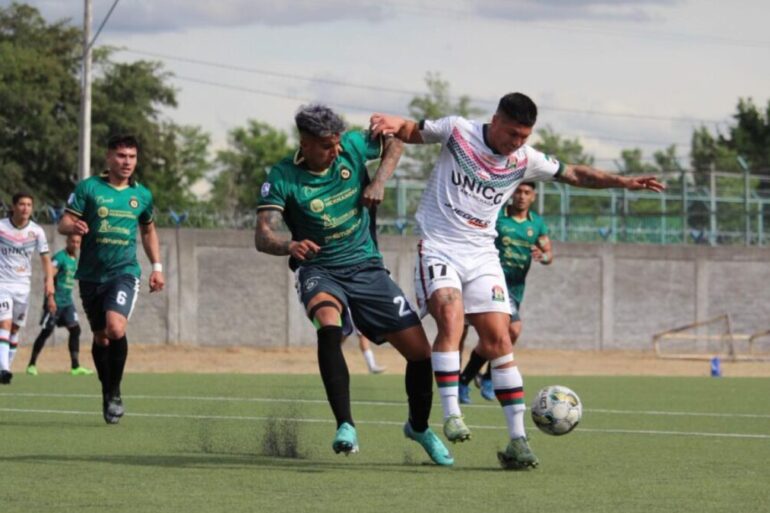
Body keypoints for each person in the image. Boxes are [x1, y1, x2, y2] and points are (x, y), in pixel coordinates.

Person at [369, 92, 664, 469]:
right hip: (440, 247)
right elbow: (411, 130)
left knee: (500, 340)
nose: (517, 142)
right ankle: (452, 414)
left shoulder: (524, 159)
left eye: (524, 136)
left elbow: (575, 173)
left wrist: (623, 182)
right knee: (450, 316)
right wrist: (393, 123)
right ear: (495, 120)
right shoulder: (458, 131)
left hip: (482, 255)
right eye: (512, 134)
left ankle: (518, 440)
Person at [256, 104, 452, 466]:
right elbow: (263, 235)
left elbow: (396, 140)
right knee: (328, 326)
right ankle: (345, 425)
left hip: (366, 268)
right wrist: (290, 245)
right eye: (326, 146)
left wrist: (378, 181)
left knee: (420, 353)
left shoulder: (351, 146)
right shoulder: (282, 176)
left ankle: (419, 427)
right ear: (305, 143)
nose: (335, 151)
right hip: (319, 269)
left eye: (337, 143)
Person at [58, 134, 165, 424]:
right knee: (100, 337)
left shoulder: (142, 195)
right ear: (108, 157)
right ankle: (107, 391)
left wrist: (157, 266)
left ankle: (115, 392)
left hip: (124, 272)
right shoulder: (89, 188)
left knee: (115, 328)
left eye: (132, 156)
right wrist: (74, 227)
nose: (127, 162)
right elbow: (63, 222)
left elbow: (148, 230)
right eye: (121, 156)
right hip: (90, 276)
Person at [458, 182, 551, 404]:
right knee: (512, 329)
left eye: (527, 192)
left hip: (516, 288)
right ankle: (476, 379)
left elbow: (549, 254)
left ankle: (471, 378)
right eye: (518, 191)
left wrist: (542, 256)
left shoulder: (537, 224)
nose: (521, 196)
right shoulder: (498, 215)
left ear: (533, 197)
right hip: (492, 282)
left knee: (499, 335)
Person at [0, 192, 55, 384]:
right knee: (4, 324)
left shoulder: (37, 231)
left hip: (23, 287)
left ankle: (5, 369)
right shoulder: (1, 227)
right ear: (13, 206)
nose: (25, 208)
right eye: (22, 204)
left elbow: (45, 258)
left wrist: (49, 281)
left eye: (29, 205)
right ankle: (4, 369)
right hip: (2, 284)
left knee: (15, 329)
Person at [26, 234, 94, 376]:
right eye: (72, 241)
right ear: (67, 241)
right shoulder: (59, 258)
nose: (75, 244)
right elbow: (48, 277)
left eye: (78, 242)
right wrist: (50, 298)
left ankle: (75, 366)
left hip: (67, 302)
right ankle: (31, 365)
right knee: (46, 332)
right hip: (55, 301)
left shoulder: (74, 259)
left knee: (75, 330)